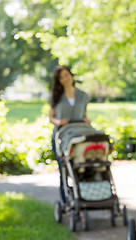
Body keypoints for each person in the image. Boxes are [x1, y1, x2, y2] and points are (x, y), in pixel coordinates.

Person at [49, 65, 91, 203]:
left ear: (71, 76)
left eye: (67, 75)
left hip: (80, 134)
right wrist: (60, 121)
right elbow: (51, 117)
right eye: (61, 77)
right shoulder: (56, 97)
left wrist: (86, 120)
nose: (65, 79)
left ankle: (84, 196)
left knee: (82, 167)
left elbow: (84, 114)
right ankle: (66, 201)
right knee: (64, 169)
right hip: (62, 135)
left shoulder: (83, 96)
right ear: (59, 80)